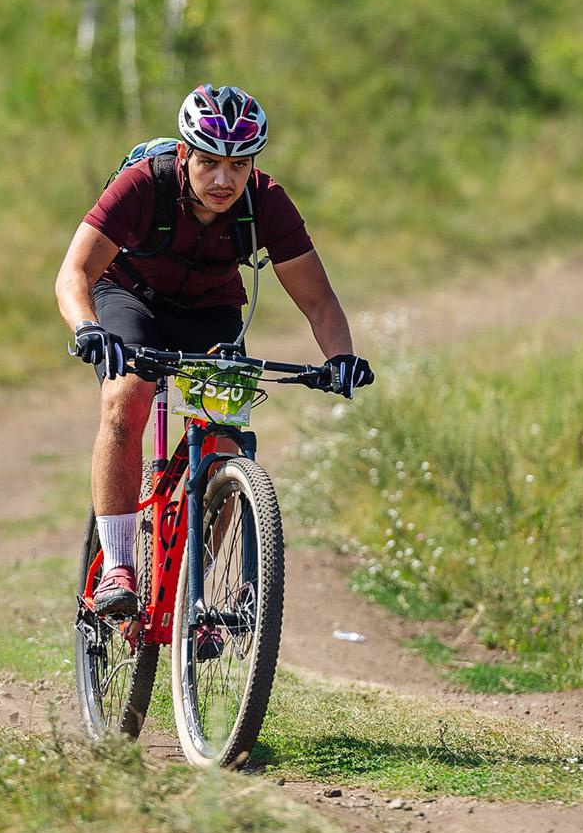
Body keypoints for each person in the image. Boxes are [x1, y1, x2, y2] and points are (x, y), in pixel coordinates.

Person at [53, 83, 373, 618]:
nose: (224, 180)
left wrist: (340, 357)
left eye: (238, 165)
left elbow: (319, 300)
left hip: (210, 310)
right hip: (130, 297)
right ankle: (118, 567)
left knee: (226, 433)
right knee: (127, 396)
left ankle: (192, 584)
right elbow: (75, 272)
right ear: (184, 154)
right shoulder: (143, 184)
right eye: (209, 163)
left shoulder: (266, 202)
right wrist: (88, 327)